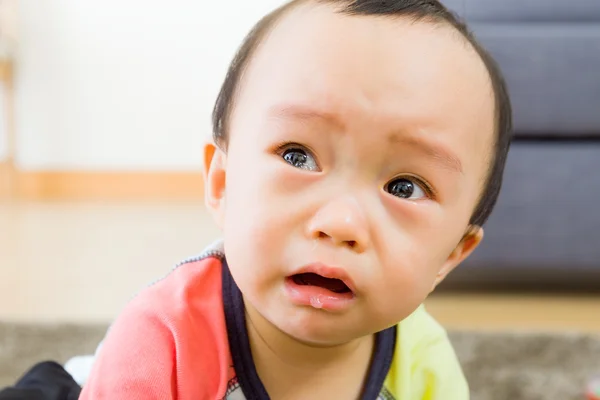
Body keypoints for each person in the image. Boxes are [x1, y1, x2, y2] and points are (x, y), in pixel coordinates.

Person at [80, 0, 513, 399]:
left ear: (451, 255)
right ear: (222, 184)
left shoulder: (424, 363)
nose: (341, 222)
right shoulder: (161, 340)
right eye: (297, 156)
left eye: (404, 187)